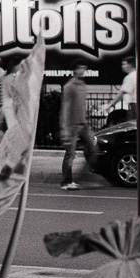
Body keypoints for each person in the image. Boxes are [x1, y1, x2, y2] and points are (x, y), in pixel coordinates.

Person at [60, 60, 98, 191]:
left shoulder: (83, 85)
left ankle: (85, 176)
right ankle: (66, 182)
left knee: (94, 149)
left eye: (84, 69)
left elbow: (81, 107)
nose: (82, 71)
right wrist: (64, 128)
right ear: (75, 70)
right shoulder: (69, 86)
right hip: (72, 125)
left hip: (83, 124)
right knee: (70, 154)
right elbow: (65, 107)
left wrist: (87, 124)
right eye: (80, 69)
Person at [102, 56, 137, 122]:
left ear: (130, 65)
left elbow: (121, 94)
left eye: (124, 64)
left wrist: (110, 105)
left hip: (134, 106)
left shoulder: (130, 77)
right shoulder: (138, 75)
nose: (122, 66)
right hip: (138, 106)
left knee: (132, 126)